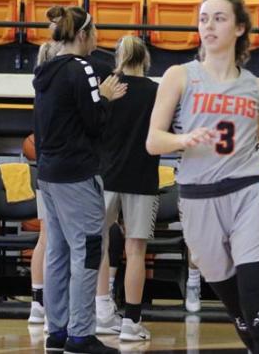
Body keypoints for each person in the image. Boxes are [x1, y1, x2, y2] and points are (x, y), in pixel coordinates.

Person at [146, 0, 259, 354]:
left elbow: (254, 142)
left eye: (219, 17)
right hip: (198, 198)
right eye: (203, 18)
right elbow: (153, 141)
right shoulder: (179, 76)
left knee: (258, 304)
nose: (209, 25)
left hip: (247, 192)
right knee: (240, 313)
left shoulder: (258, 88)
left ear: (239, 28)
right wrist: (183, 139)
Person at [33, 6, 126, 354]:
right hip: (76, 174)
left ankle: (56, 331)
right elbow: (93, 123)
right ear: (83, 34)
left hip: (49, 173)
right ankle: (80, 334)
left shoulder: (45, 70)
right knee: (87, 251)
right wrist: (105, 98)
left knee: (57, 251)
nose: (99, 37)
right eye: (96, 30)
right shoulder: (82, 69)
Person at [96, 35, 160, 342]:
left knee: (101, 245)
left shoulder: (107, 86)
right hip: (142, 178)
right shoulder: (156, 91)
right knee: (135, 251)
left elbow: (92, 128)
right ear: (144, 58)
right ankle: (132, 322)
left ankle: (101, 312)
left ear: (119, 57)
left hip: (105, 176)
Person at [27, 40, 62, 327]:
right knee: (55, 241)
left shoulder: (40, 88)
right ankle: (48, 303)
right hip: (59, 173)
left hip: (45, 170)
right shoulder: (57, 90)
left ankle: (38, 302)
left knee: (46, 239)